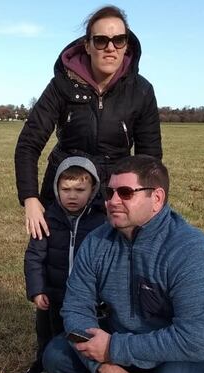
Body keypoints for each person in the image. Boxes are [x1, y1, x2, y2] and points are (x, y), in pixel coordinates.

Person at [42, 155, 204, 373]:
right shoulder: (97, 242)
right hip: (128, 335)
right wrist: (105, 367)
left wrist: (112, 349)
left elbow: (193, 339)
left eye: (125, 193)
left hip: (196, 346)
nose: (112, 201)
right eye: (109, 192)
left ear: (156, 198)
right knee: (56, 356)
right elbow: (75, 307)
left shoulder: (191, 249)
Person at [14, 5, 163, 240]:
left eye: (119, 40)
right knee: (55, 261)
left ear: (127, 46)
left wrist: (147, 205)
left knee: (110, 266)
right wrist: (30, 198)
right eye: (101, 40)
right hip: (65, 189)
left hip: (114, 194)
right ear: (88, 45)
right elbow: (28, 143)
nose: (110, 48)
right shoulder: (61, 85)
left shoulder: (141, 91)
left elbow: (150, 158)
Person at [18, 156, 107, 373]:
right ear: (56, 189)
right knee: (47, 333)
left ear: (93, 190)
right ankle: (43, 365)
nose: (72, 196)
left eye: (80, 190)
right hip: (52, 294)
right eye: (65, 189)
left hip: (86, 301)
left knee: (79, 339)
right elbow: (34, 256)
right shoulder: (48, 218)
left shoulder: (101, 222)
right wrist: (37, 289)